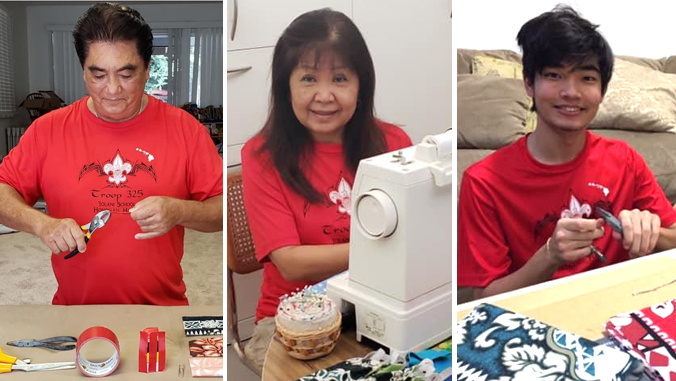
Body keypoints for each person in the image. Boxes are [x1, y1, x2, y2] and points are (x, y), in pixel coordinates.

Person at [0, 2, 223, 305]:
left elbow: (222, 210)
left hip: (161, 309)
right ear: (83, 72)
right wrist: (42, 224)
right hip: (73, 311)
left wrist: (180, 211)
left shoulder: (186, 129)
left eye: (126, 74)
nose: (113, 90)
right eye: (99, 75)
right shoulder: (46, 130)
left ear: (147, 70)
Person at [458, 5, 676, 301]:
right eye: (554, 75)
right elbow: (477, 300)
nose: (571, 92)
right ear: (528, 84)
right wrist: (549, 255)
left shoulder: (624, 158)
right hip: (533, 320)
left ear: (602, 91)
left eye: (587, 78)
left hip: (621, 308)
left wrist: (653, 234)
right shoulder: (483, 181)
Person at [241, 8, 412, 371]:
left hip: (379, 305)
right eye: (307, 79)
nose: (324, 95)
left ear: (361, 85)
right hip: (289, 318)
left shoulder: (394, 144)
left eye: (339, 78)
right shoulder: (261, 155)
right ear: (285, 87)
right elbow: (289, 263)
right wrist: (382, 250)